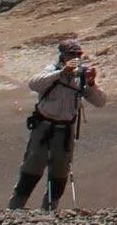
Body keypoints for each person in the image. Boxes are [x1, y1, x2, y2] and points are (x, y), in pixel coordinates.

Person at [8, 38, 107, 210]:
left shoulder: (80, 77)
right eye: (72, 54)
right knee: (31, 170)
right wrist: (62, 73)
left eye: (78, 54)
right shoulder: (52, 70)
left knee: (59, 175)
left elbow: (100, 102)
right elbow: (34, 83)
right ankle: (13, 211)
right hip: (44, 128)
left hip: (65, 132)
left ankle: (49, 212)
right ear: (62, 56)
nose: (76, 57)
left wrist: (91, 83)